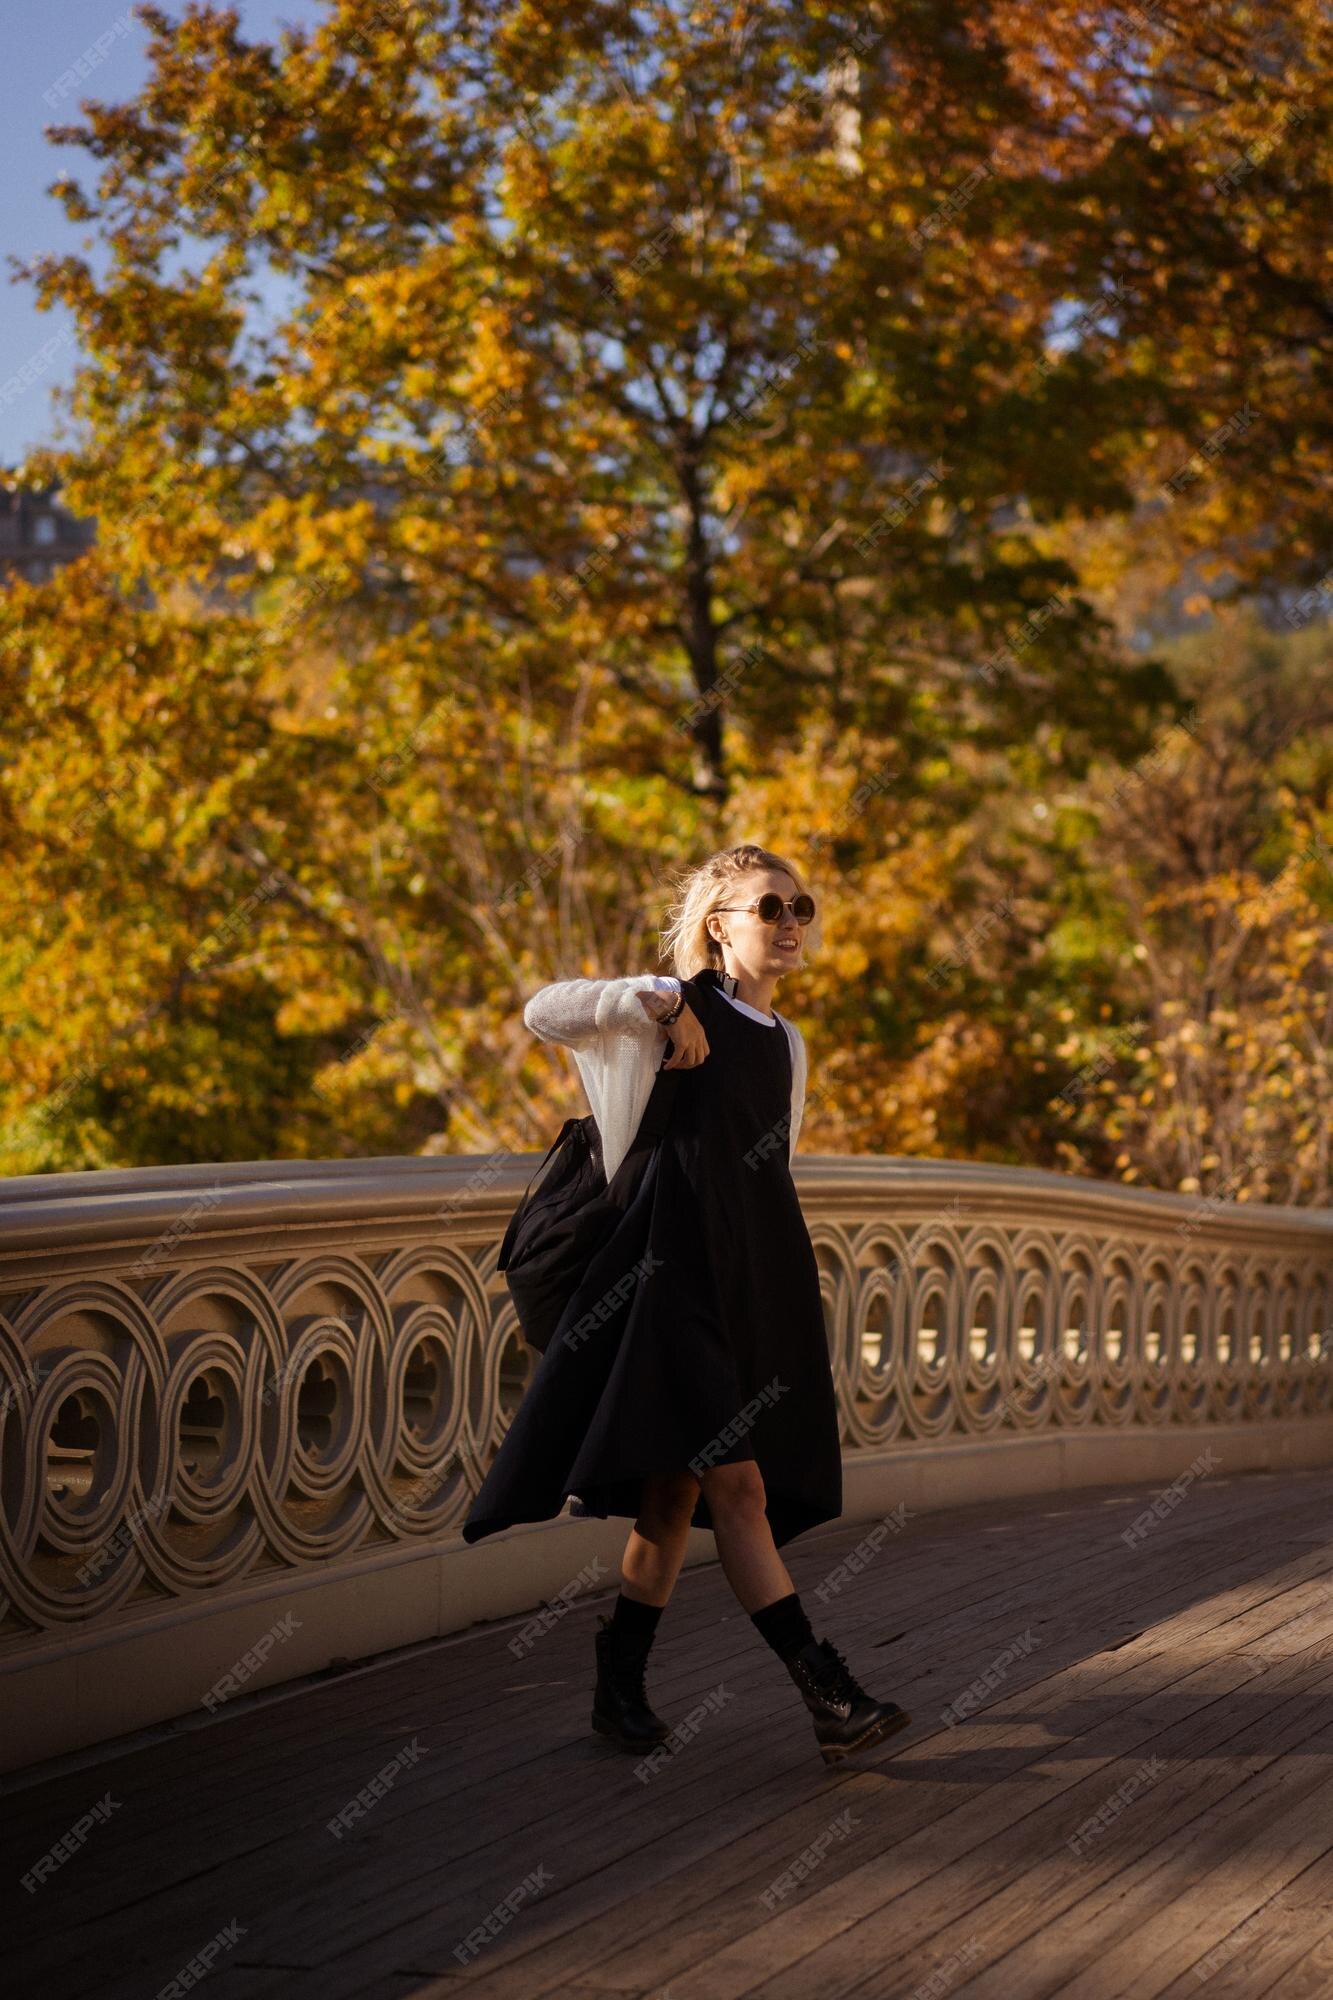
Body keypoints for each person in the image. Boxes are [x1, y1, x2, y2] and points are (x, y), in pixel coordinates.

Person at [462, 843, 910, 1766]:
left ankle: (616, 1685)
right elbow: (542, 1010)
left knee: (673, 1494)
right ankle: (829, 1695)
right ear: (719, 924)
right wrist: (651, 999)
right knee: (736, 1486)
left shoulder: (787, 1041)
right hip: (666, 1283)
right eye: (768, 909)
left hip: (749, 1282)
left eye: (800, 908)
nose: (790, 925)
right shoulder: (668, 1011)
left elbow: (768, 1168)